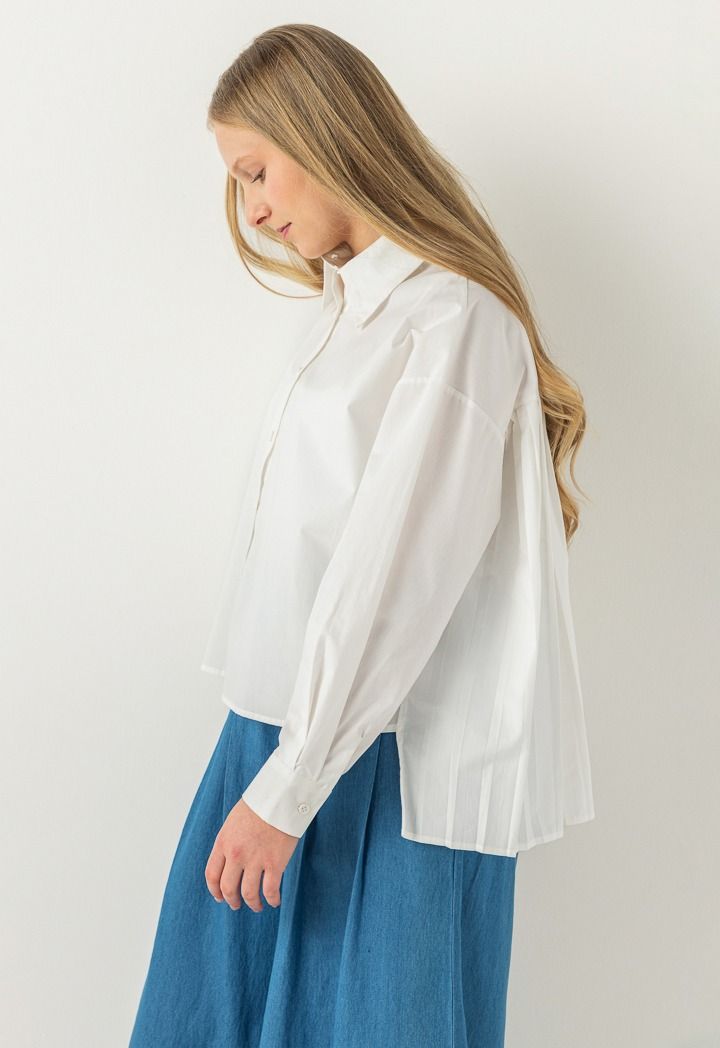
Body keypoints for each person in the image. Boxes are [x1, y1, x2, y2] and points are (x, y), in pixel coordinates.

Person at [129, 22, 595, 1048]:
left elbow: (396, 578)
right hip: (283, 728)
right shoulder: (347, 312)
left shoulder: (453, 322)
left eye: (257, 172)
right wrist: (277, 769)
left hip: (386, 755)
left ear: (324, 136)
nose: (253, 210)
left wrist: (290, 789)